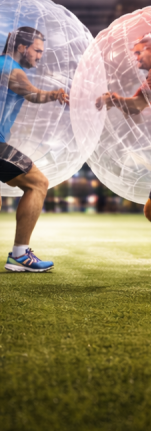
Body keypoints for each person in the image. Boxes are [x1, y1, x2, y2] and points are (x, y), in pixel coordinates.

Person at [0, 26, 69, 272]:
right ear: (21, 47)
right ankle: (20, 255)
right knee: (38, 182)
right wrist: (56, 94)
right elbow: (31, 93)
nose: (39, 57)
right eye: (36, 51)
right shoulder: (10, 68)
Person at [96, 34, 151, 231]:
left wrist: (113, 99)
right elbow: (134, 109)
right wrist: (118, 102)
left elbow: (137, 105)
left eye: (139, 52)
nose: (136, 57)